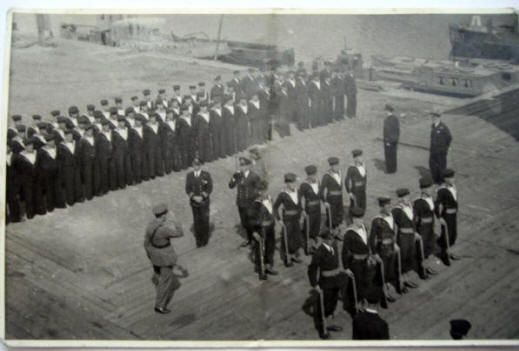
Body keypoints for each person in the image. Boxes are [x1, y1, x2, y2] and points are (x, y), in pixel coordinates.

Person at [308, 228, 351, 339]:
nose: (331, 241)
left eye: (332, 238)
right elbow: (312, 269)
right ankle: (323, 330)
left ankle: (330, 323)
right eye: (329, 239)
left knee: (333, 303)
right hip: (326, 282)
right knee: (324, 306)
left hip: (335, 280)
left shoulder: (334, 246)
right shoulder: (319, 252)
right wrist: (315, 284)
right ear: (323, 240)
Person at [144, 203, 184, 314]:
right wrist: (176, 221)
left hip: (154, 254)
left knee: (159, 276)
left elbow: (146, 242)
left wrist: (150, 255)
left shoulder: (151, 225)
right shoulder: (164, 230)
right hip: (164, 257)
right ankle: (159, 306)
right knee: (166, 281)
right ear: (163, 216)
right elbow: (180, 233)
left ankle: (159, 291)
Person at [343, 207, 380, 312]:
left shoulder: (364, 228)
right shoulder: (349, 233)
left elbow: (367, 243)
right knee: (357, 284)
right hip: (356, 263)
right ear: (353, 220)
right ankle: (356, 306)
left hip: (366, 261)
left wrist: (371, 255)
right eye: (358, 219)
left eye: (362, 218)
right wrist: (346, 267)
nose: (360, 221)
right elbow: (344, 252)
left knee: (366, 281)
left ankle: (364, 301)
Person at [392, 188, 424, 287]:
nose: (407, 199)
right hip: (403, 237)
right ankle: (400, 281)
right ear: (400, 199)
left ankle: (406, 278)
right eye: (405, 197)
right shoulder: (396, 210)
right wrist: (394, 242)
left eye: (407, 196)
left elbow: (413, 222)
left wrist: (415, 232)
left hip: (411, 236)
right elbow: (392, 227)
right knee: (402, 257)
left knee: (409, 256)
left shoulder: (411, 207)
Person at [370, 197, 399, 301]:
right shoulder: (376, 220)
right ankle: (382, 290)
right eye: (386, 207)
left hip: (391, 247)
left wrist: (395, 244)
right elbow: (371, 239)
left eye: (389, 206)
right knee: (382, 270)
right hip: (381, 249)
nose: (388, 208)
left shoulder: (391, 217)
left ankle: (388, 285)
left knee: (390, 269)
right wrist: (374, 253)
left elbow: (393, 233)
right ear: (381, 207)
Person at [248, 180, 278, 279]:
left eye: (265, 190)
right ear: (258, 191)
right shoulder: (255, 204)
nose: (263, 193)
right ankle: (261, 271)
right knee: (260, 251)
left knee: (270, 247)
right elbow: (250, 220)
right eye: (261, 191)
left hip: (270, 228)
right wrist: (254, 232)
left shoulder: (269, 199)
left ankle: (268, 265)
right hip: (260, 230)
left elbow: (272, 211)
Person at [229, 157, 260, 247]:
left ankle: (256, 239)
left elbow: (259, 189)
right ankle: (249, 239)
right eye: (241, 165)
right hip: (241, 203)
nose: (242, 167)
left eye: (243, 165)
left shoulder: (253, 176)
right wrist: (233, 177)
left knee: (252, 221)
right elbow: (230, 186)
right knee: (244, 222)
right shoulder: (238, 176)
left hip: (250, 203)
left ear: (248, 166)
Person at [274, 173, 303, 266]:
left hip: (296, 218)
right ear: (287, 183)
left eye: (294, 182)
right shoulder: (283, 194)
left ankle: (294, 254)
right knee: (287, 237)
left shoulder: (298, 192)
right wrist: (279, 220)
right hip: (288, 220)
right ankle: (287, 257)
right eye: (290, 183)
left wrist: (302, 213)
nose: (292, 185)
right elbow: (275, 208)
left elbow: (299, 205)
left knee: (297, 236)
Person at [185, 158, 213, 248]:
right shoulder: (189, 175)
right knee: (197, 222)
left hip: (204, 202)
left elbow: (210, 188)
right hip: (194, 203)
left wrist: (202, 197)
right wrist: (193, 197)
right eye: (194, 164)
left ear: (200, 165)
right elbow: (187, 188)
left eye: (197, 164)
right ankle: (199, 240)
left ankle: (205, 240)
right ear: (192, 165)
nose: (196, 166)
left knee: (204, 220)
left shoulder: (206, 175)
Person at [16, 138, 46, 219]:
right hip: (27, 180)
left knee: (38, 194)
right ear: (25, 147)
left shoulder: (37, 153)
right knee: (29, 196)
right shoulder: (20, 157)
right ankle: (31, 213)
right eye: (28, 146)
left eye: (32, 146)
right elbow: (19, 171)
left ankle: (40, 210)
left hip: (37, 178)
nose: (31, 147)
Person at [413, 176, 439, 274]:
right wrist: (415, 231)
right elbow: (414, 218)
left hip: (430, 227)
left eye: (431, 187)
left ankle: (426, 266)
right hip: (422, 228)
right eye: (428, 188)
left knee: (429, 246)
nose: (430, 190)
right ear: (423, 190)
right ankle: (421, 269)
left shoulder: (431, 199)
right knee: (421, 249)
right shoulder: (418, 202)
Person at [435, 168, 460, 262]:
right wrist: (439, 217)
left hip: (453, 215)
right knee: (447, 235)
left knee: (453, 234)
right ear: (445, 179)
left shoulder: (453, 187)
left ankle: (446, 248)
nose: (453, 179)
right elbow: (436, 204)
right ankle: (444, 254)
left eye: (453, 177)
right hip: (447, 216)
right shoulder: (442, 190)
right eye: (450, 178)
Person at [37, 133, 65, 212]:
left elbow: (60, 158)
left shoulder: (57, 148)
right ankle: (50, 206)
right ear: (47, 142)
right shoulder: (42, 151)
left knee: (58, 188)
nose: (52, 143)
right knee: (49, 189)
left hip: (57, 172)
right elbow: (39, 164)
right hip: (47, 174)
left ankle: (59, 204)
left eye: (53, 141)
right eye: (50, 141)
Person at [299, 165, 322, 253]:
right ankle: (307, 247)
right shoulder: (304, 185)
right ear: (308, 175)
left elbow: (320, 195)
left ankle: (313, 243)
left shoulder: (318, 182)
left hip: (318, 208)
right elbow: (299, 198)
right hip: (309, 209)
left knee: (316, 225)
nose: (313, 177)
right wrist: (302, 210)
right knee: (308, 227)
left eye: (314, 174)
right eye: (311, 175)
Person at [58, 129, 84, 204]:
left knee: (77, 181)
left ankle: (79, 197)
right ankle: (70, 199)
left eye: (71, 136)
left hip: (76, 165)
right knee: (69, 183)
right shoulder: (61, 146)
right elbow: (61, 158)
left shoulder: (75, 143)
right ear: (65, 136)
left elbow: (78, 154)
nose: (70, 137)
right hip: (67, 167)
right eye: (68, 136)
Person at [320, 157, 344, 229]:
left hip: (339, 199)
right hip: (331, 200)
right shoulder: (327, 176)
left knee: (339, 215)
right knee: (331, 218)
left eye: (338, 165)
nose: (337, 167)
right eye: (335, 166)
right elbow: (321, 190)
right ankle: (329, 233)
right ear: (331, 166)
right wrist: (324, 201)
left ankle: (337, 232)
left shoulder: (339, 173)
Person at [429, 109, 452, 184]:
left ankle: (441, 180)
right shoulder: (433, 126)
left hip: (441, 150)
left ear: (439, 118)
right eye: (433, 117)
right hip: (433, 149)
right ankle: (435, 179)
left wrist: (446, 146)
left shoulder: (443, 127)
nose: (433, 119)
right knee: (432, 164)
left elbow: (449, 137)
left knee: (441, 165)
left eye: (435, 117)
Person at [345, 149, 367, 220]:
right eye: (359, 157)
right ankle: (351, 221)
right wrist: (349, 192)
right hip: (355, 191)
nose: (361, 159)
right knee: (355, 207)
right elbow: (347, 180)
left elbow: (364, 179)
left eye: (361, 157)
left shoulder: (363, 167)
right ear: (355, 159)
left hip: (362, 191)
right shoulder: (351, 168)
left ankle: (360, 221)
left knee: (363, 206)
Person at [78, 125, 99, 199]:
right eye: (89, 131)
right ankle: (89, 194)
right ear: (86, 132)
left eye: (91, 131)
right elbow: (80, 153)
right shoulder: (82, 140)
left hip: (95, 160)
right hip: (87, 162)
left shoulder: (94, 138)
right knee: (88, 178)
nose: (90, 132)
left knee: (95, 176)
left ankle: (96, 192)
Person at [112, 115, 132, 188]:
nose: (122, 123)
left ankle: (129, 181)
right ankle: (122, 183)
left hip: (127, 151)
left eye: (123, 122)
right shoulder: (115, 131)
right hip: (119, 152)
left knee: (128, 165)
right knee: (121, 167)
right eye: (120, 122)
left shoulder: (127, 129)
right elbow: (113, 143)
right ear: (118, 123)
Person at [143, 113, 164, 179]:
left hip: (158, 144)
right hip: (150, 145)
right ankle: (152, 173)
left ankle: (159, 171)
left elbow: (160, 133)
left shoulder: (158, 125)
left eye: (154, 118)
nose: (153, 119)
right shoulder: (146, 126)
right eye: (151, 118)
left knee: (158, 157)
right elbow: (145, 137)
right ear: (149, 119)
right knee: (151, 159)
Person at [383, 104, 400, 174]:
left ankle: (389, 170)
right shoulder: (396, 119)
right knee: (393, 154)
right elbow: (398, 130)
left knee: (388, 155)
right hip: (395, 140)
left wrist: (387, 141)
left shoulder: (387, 120)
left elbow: (387, 131)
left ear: (388, 111)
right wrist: (396, 139)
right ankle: (394, 169)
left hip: (389, 140)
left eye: (386, 111)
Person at [177, 105, 195, 170]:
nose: (186, 112)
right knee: (184, 152)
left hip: (191, 137)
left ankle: (191, 163)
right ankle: (185, 165)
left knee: (191, 150)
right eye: (184, 111)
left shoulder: (191, 117)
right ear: (182, 111)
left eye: (187, 110)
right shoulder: (180, 119)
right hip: (183, 138)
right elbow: (178, 130)